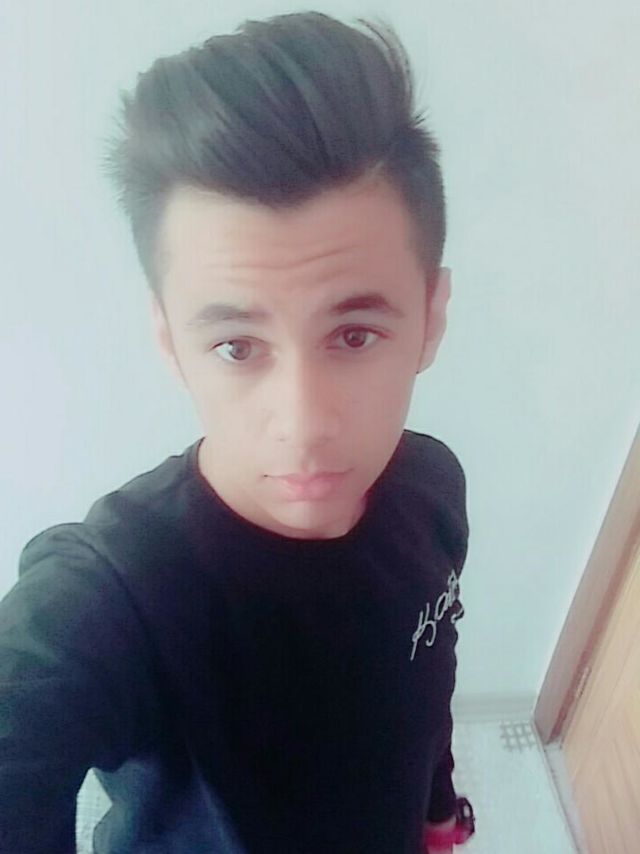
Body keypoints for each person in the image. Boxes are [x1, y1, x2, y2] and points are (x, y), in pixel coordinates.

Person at [0, 11, 474, 853]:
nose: (303, 424)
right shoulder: (114, 596)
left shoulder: (433, 485)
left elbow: (427, 679)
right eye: (236, 346)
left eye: (354, 335)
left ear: (430, 319)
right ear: (171, 344)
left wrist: (437, 809)